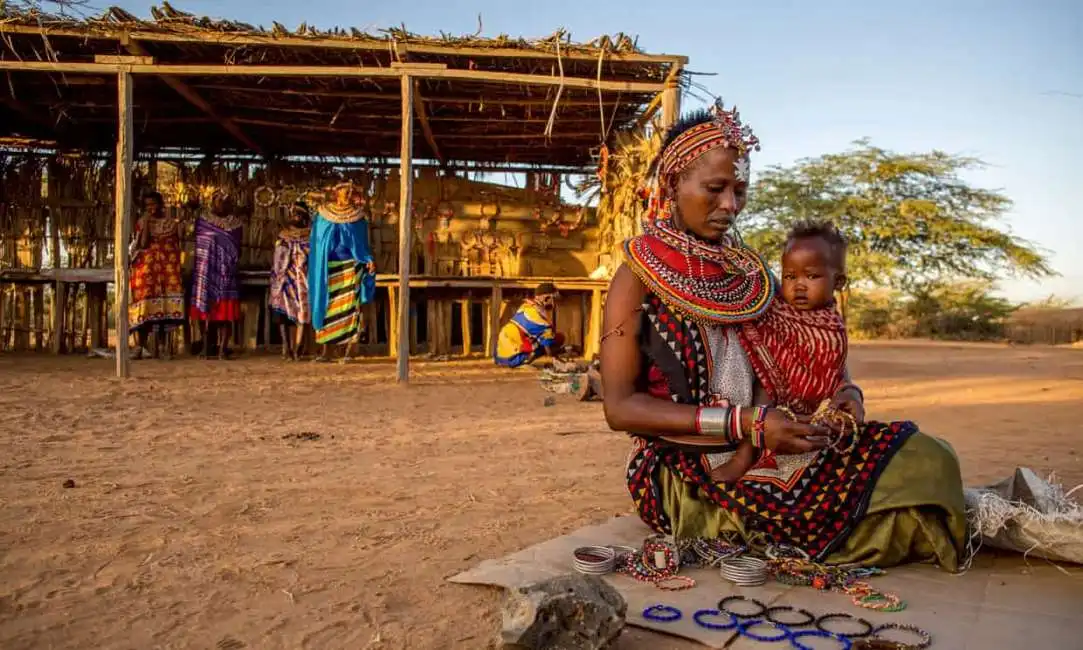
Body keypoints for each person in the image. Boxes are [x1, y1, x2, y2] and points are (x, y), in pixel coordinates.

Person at [600, 101, 966, 570]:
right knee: (877, 511)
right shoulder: (636, 277)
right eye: (715, 188)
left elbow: (812, 337)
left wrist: (844, 393)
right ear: (672, 185)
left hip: (771, 442)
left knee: (929, 458)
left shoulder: (750, 274)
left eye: (740, 190)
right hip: (687, 470)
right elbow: (619, 408)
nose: (730, 205)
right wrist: (745, 424)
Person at [710, 220, 851, 481]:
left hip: (802, 409)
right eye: (790, 276)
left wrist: (848, 394)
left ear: (838, 281)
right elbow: (754, 329)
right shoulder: (772, 308)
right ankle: (745, 455)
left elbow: (832, 372)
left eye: (812, 276)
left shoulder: (832, 330)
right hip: (760, 395)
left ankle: (754, 456)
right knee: (765, 389)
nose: (799, 285)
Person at [308, 181, 376, 363]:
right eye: (344, 193)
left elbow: (361, 244)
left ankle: (348, 351)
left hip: (351, 268)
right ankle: (326, 351)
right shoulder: (323, 215)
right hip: (328, 270)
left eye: (350, 193)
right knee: (327, 307)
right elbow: (317, 242)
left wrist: (368, 259)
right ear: (337, 194)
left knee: (351, 309)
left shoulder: (358, 217)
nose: (347, 196)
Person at [128, 191, 184, 359]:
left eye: (153, 204)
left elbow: (179, 242)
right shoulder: (142, 223)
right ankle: (139, 347)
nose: (151, 208)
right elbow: (143, 244)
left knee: (165, 310)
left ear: (160, 204)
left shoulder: (171, 224)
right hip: (148, 272)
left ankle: (163, 347)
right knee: (145, 308)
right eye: (147, 206)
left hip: (167, 271)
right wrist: (145, 223)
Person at [189, 189, 243, 360]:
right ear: (212, 203)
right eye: (218, 201)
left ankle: (222, 350)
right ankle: (205, 347)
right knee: (204, 313)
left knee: (225, 315)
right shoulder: (203, 221)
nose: (221, 205)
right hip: (205, 271)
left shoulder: (235, 224)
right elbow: (199, 243)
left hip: (226, 272)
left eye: (225, 202)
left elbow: (236, 248)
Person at [270, 201, 312, 361]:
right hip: (284, 279)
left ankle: (299, 348)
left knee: (302, 314)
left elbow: (310, 256)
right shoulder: (283, 235)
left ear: (305, 218)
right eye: (293, 214)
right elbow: (277, 257)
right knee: (283, 316)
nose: (295, 217)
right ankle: (285, 348)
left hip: (302, 280)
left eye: (299, 214)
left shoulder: (310, 236)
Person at [494, 282, 565, 368]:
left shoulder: (527, 306)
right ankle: (521, 362)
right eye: (554, 299)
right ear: (546, 298)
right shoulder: (537, 318)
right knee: (557, 338)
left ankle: (520, 359)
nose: (555, 303)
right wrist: (566, 350)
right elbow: (549, 350)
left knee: (547, 338)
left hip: (500, 355)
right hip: (511, 357)